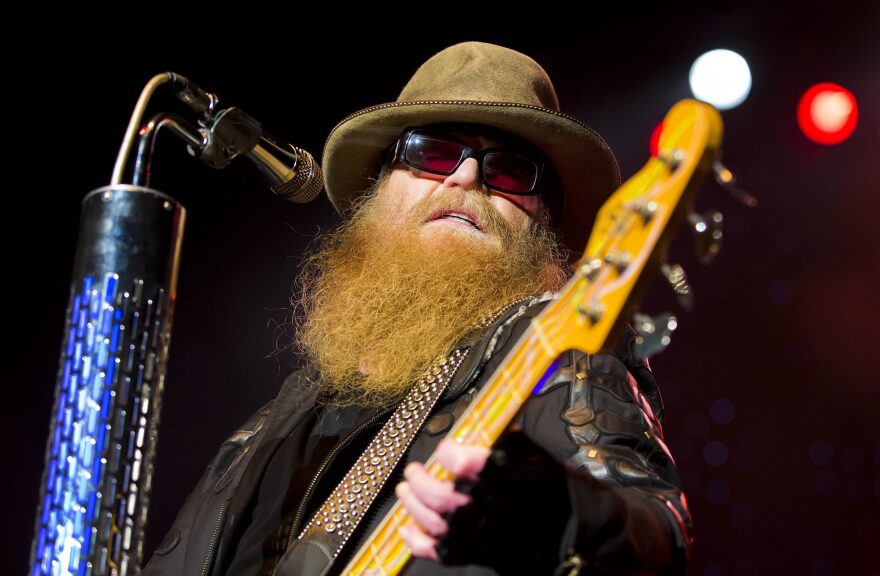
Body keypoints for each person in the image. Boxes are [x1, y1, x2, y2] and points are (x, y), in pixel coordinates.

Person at [143, 41, 692, 575]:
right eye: (432, 154)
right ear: (378, 193)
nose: (466, 176)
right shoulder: (280, 415)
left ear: (540, 225)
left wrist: (564, 512)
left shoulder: (554, 350)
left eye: (509, 172)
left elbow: (655, 532)